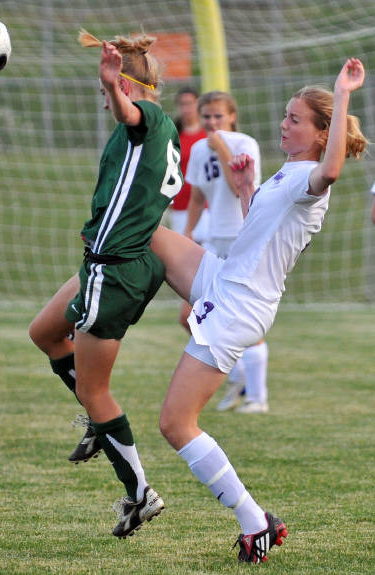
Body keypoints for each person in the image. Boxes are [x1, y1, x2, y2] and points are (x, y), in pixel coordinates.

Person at [149, 58, 366, 563]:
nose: (283, 123)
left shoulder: (312, 175)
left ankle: (256, 522)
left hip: (240, 306)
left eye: (295, 119)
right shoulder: (286, 173)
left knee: (176, 424)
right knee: (147, 235)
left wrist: (342, 92)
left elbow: (332, 169)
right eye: (286, 115)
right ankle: (94, 322)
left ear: (321, 133)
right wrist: (248, 190)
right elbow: (259, 237)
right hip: (225, 278)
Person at [29, 28, 183, 538]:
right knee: (45, 332)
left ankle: (140, 494)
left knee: (95, 390)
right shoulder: (153, 131)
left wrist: (114, 87)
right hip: (109, 261)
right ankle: (100, 426)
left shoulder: (148, 119)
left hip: (115, 269)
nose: (104, 99)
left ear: (128, 87)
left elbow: (129, 114)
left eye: (108, 90)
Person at [184, 91, 269, 414]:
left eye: (218, 115)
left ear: (232, 116)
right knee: (193, 314)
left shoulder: (245, 144)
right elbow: (197, 196)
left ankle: (257, 397)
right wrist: (188, 232)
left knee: (243, 314)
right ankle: (238, 376)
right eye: (206, 116)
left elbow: (239, 189)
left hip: (241, 237)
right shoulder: (198, 149)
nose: (212, 122)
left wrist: (220, 146)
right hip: (214, 238)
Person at [168, 87, 209, 331]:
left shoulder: (207, 135)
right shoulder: (174, 135)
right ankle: (198, 312)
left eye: (191, 103)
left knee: (204, 260)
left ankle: (201, 309)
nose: (187, 108)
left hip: (205, 209)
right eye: (182, 103)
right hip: (179, 208)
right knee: (184, 264)